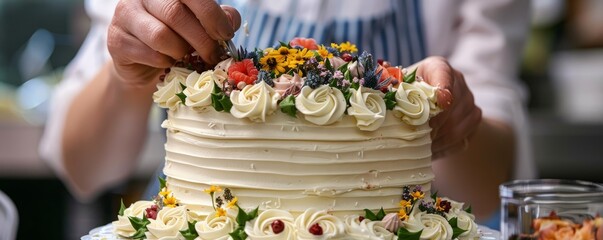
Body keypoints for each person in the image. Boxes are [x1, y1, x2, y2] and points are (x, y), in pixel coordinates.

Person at [39, 0, 535, 229]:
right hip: (199, 218)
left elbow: (488, 185)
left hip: (391, 221)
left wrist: (453, 117)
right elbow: (83, 169)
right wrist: (128, 76)